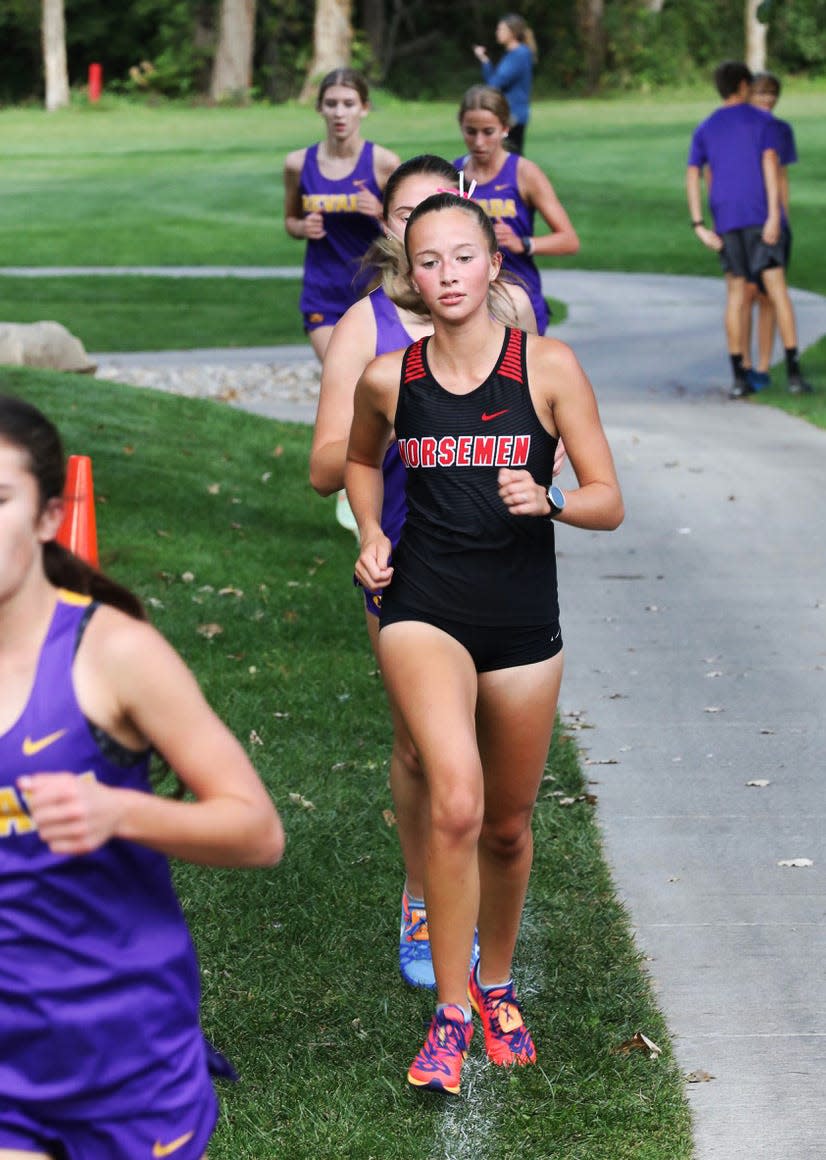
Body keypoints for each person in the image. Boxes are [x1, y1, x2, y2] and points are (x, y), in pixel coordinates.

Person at [344, 192, 623, 1094]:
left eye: (463, 257)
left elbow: (607, 498)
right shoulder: (392, 379)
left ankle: (497, 985)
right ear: (410, 277)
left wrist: (551, 500)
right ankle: (453, 1011)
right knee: (456, 802)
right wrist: (371, 536)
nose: (447, 275)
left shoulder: (546, 368)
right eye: (428, 261)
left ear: (494, 264)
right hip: (423, 608)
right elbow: (356, 461)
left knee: (505, 825)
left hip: (523, 623)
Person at [0, 395, 285, 1159]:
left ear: (49, 516)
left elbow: (257, 831)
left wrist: (118, 813)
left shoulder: (112, 653)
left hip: (122, 1058)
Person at [310, 154, 541, 991]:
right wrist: (411, 437)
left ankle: (486, 934)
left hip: (503, 564)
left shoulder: (509, 314)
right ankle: (423, 899)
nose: (438, 253)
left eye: (453, 234)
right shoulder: (365, 337)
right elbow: (326, 466)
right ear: (396, 238)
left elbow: (544, 425)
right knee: (424, 750)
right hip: (405, 564)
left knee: (493, 778)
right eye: (418, 232)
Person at [686, 60, 813, 398]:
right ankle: (792, 370)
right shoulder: (763, 123)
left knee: (739, 295)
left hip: (728, 221)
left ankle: (742, 375)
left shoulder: (707, 126)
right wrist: (775, 216)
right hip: (760, 217)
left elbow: (696, 173)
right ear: (744, 86)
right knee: (772, 289)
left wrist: (699, 223)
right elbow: (772, 167)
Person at [283, 68, 401, 361]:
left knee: (375, 384)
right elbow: (290, 221)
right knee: (342, 375)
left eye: (348, 104)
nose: (339, 113)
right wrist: (302, 226)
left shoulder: (384, 163)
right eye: (331, 104)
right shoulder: (298, 164)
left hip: (375, 289)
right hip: (322, 291)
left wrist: (378, 212)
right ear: (319, 108)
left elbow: (408, 230)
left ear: (364, 109)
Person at [454, 85, 579, 336]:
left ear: (505, 128)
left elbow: (569, 241)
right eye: (471, 131)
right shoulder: (452, 174)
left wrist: (523, 243)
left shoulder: (524, 173)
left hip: (519, 303)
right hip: (468, 304)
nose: (479, 142)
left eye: (488, 132)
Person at [742, 72, 798, 391]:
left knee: (768, 297)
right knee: (747, 293)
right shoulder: (742, 129)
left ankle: (763, 366)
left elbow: (782, 177)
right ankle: (744, 364)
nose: (768, 99)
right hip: (745, 220)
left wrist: (782, 217)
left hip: (773, 221)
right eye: (762, 93)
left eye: (773, 94)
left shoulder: (780, 129)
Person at [472, 14, 537, 155]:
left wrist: (485, 62)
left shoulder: (519, 54)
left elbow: (495, 84)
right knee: (507, 156)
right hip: (510, 112)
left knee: (510, 158)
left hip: (513, 114)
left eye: (501, 29)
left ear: (512, 32)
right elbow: (494, 82)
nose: (497, 32)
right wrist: (484, 60)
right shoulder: (514, 54)